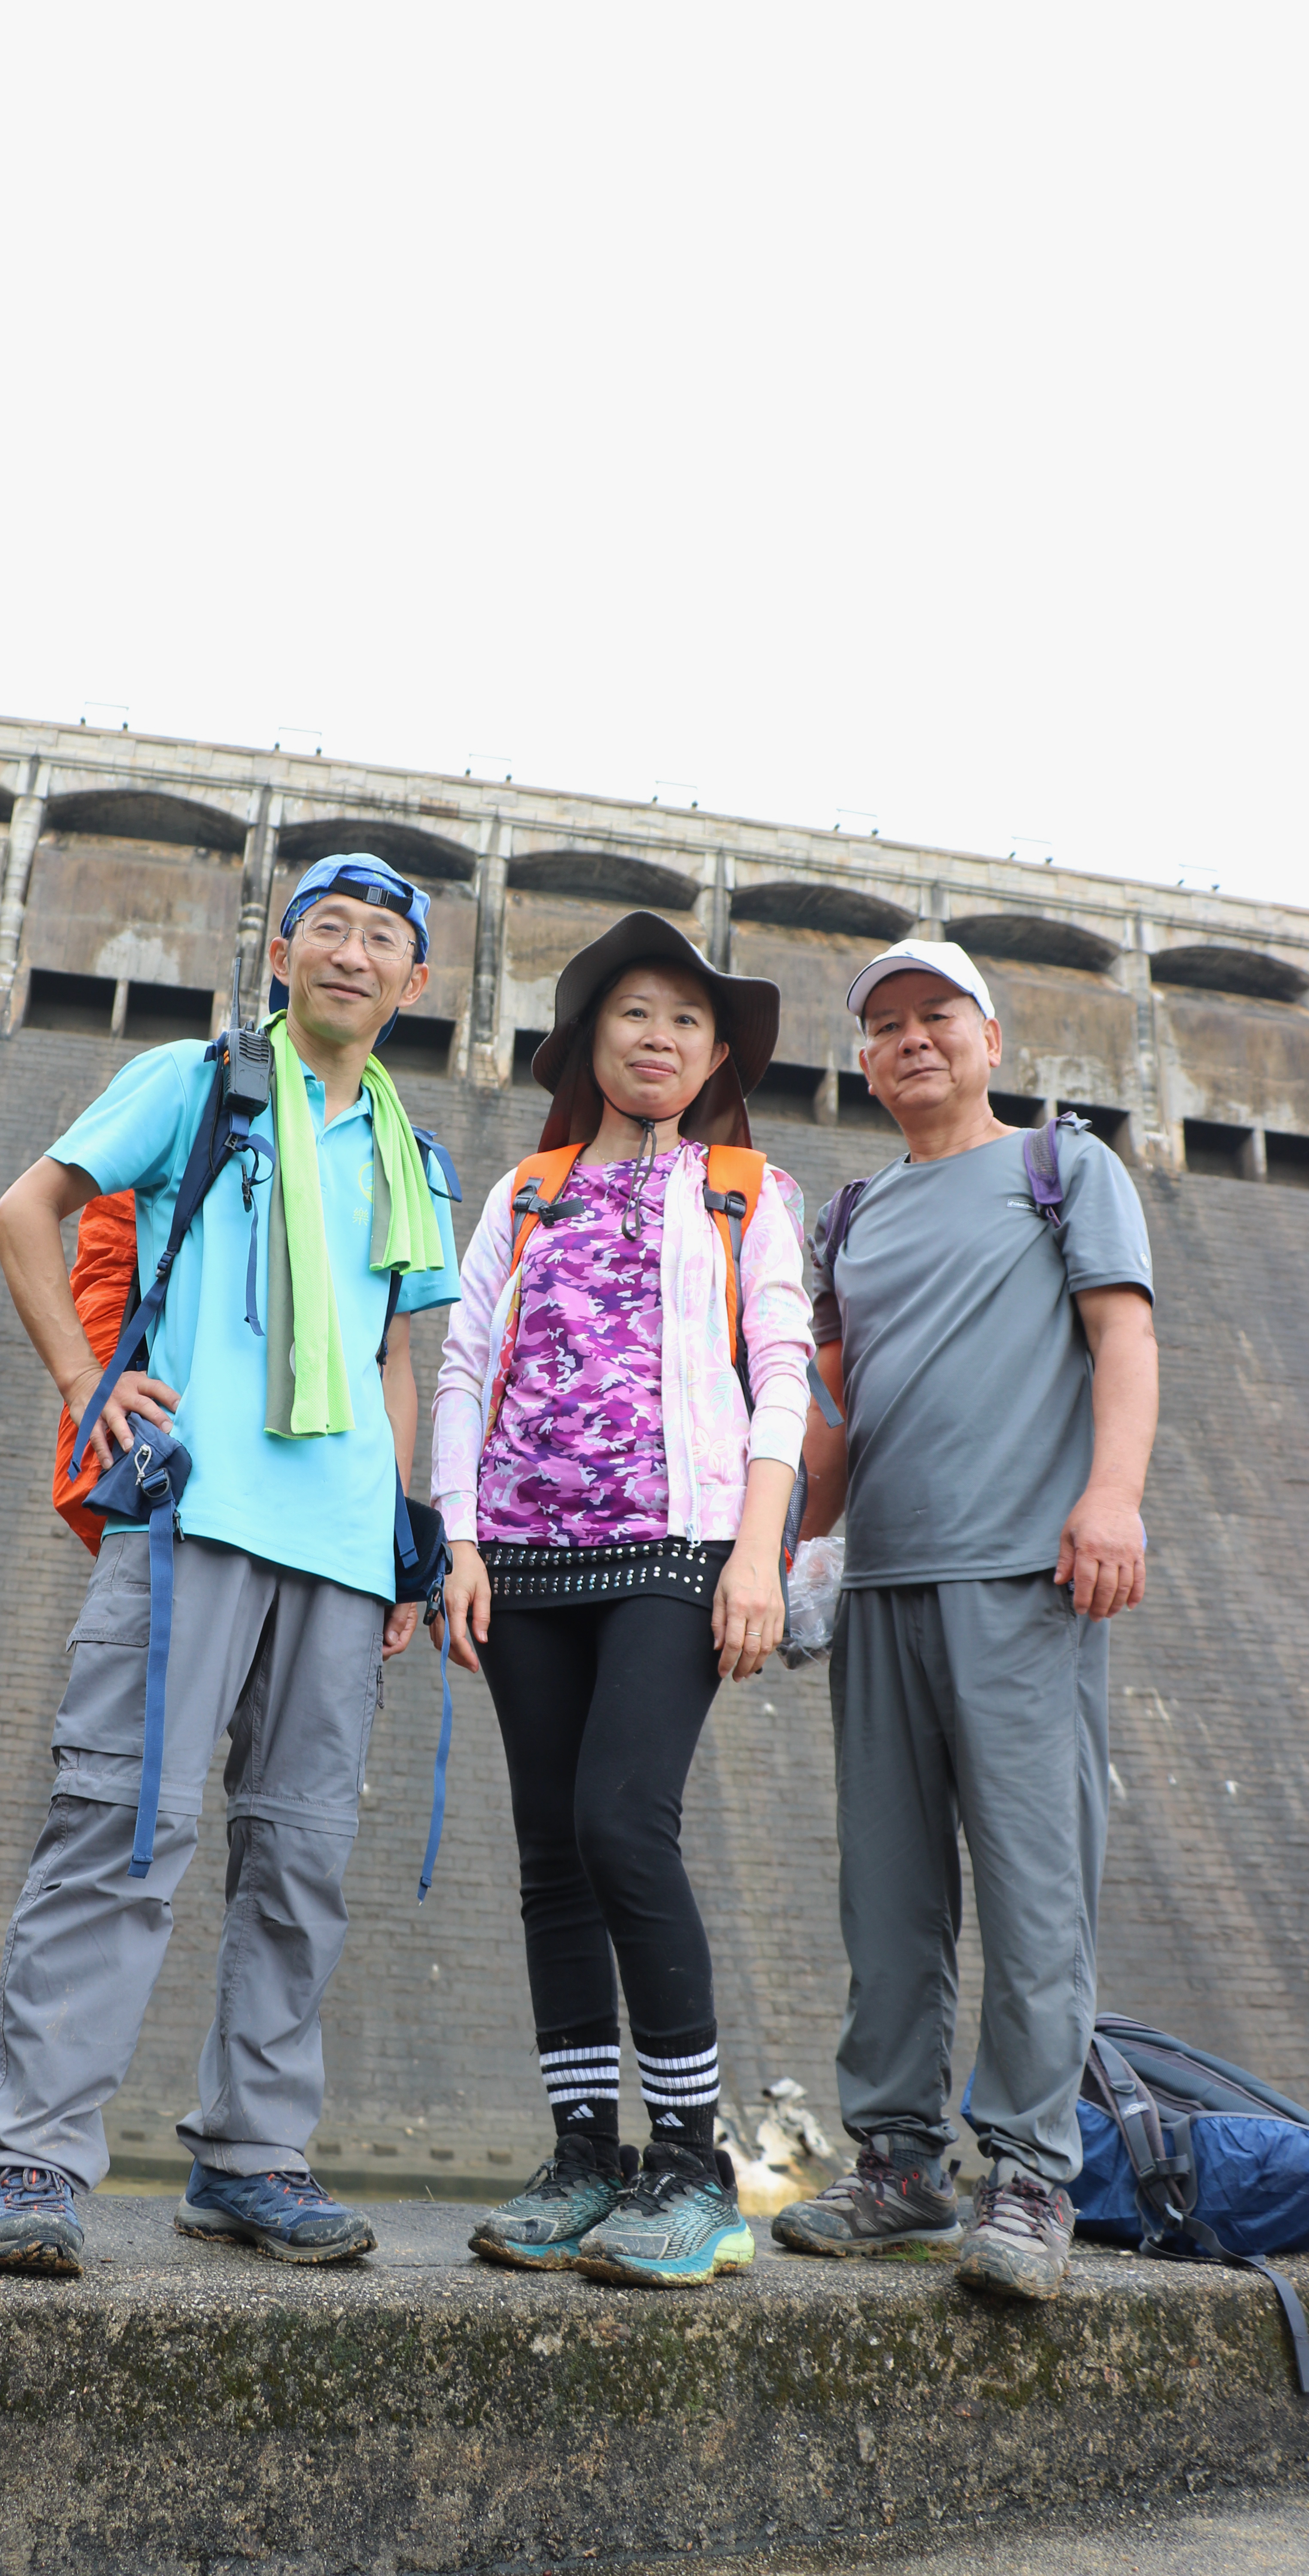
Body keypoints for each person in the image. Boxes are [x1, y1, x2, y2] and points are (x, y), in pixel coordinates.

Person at [0, 853, 460, 2273]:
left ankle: (252, 2159)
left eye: (382, 940)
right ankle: (31, 2157)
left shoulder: (410, 1158)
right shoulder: (197, 1081)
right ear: (283, 955)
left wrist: (400, 1540)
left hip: (340, 1554)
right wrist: (83, 1382)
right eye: (328, 929)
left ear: (416, 983)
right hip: (190, 1524)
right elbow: (24, 1211)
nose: (353, 954)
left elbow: (392, 1354)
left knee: (301, 1865)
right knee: (121, 1832)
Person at [772, 938, 1158, 2301]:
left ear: (991, 1039)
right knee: (887, 1893)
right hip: (879, 1591)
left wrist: (1113, 1498)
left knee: (1037, 1888)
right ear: (865, 1062)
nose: (912, 1039)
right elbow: (832, 1408)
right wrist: (788, 1553)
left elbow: (1123, 1339)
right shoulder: (852, 1214)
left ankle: (1032, 2177)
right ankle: (898, 2167)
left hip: (1025, 1580)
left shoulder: (1064, 1169)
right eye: (885, 1025)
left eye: (938, 1015)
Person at [431, 912, 813, 2286]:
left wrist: (757, 1554)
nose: (659, 1038)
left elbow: (784, 1373)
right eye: (635, 1013)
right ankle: (586, 2154)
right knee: (553, 1856)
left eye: (687, 1021)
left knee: (621, 1826)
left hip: (676, 1546)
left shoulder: (746, 1191)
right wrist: (454, 1540)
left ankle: (694, 2170)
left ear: (714, 1060)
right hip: (522, 1554)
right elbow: (465, 1363)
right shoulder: (524, 1192)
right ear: (590, 1039)